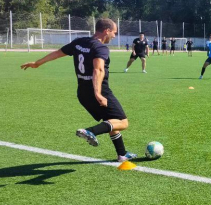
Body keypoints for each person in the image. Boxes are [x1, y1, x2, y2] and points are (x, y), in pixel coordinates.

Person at [20, 19, 137, 161]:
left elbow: (57, 53)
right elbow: (98, 70)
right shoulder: (100, 48)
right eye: (114, 32)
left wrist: (37, 63)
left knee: (111, 122)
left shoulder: (79, 42)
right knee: (123, 122)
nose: (114, 36)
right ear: (106, 30)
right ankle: (90, 131)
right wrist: (98, 93)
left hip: (82, 93)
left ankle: (122, 154)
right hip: (99, 91)